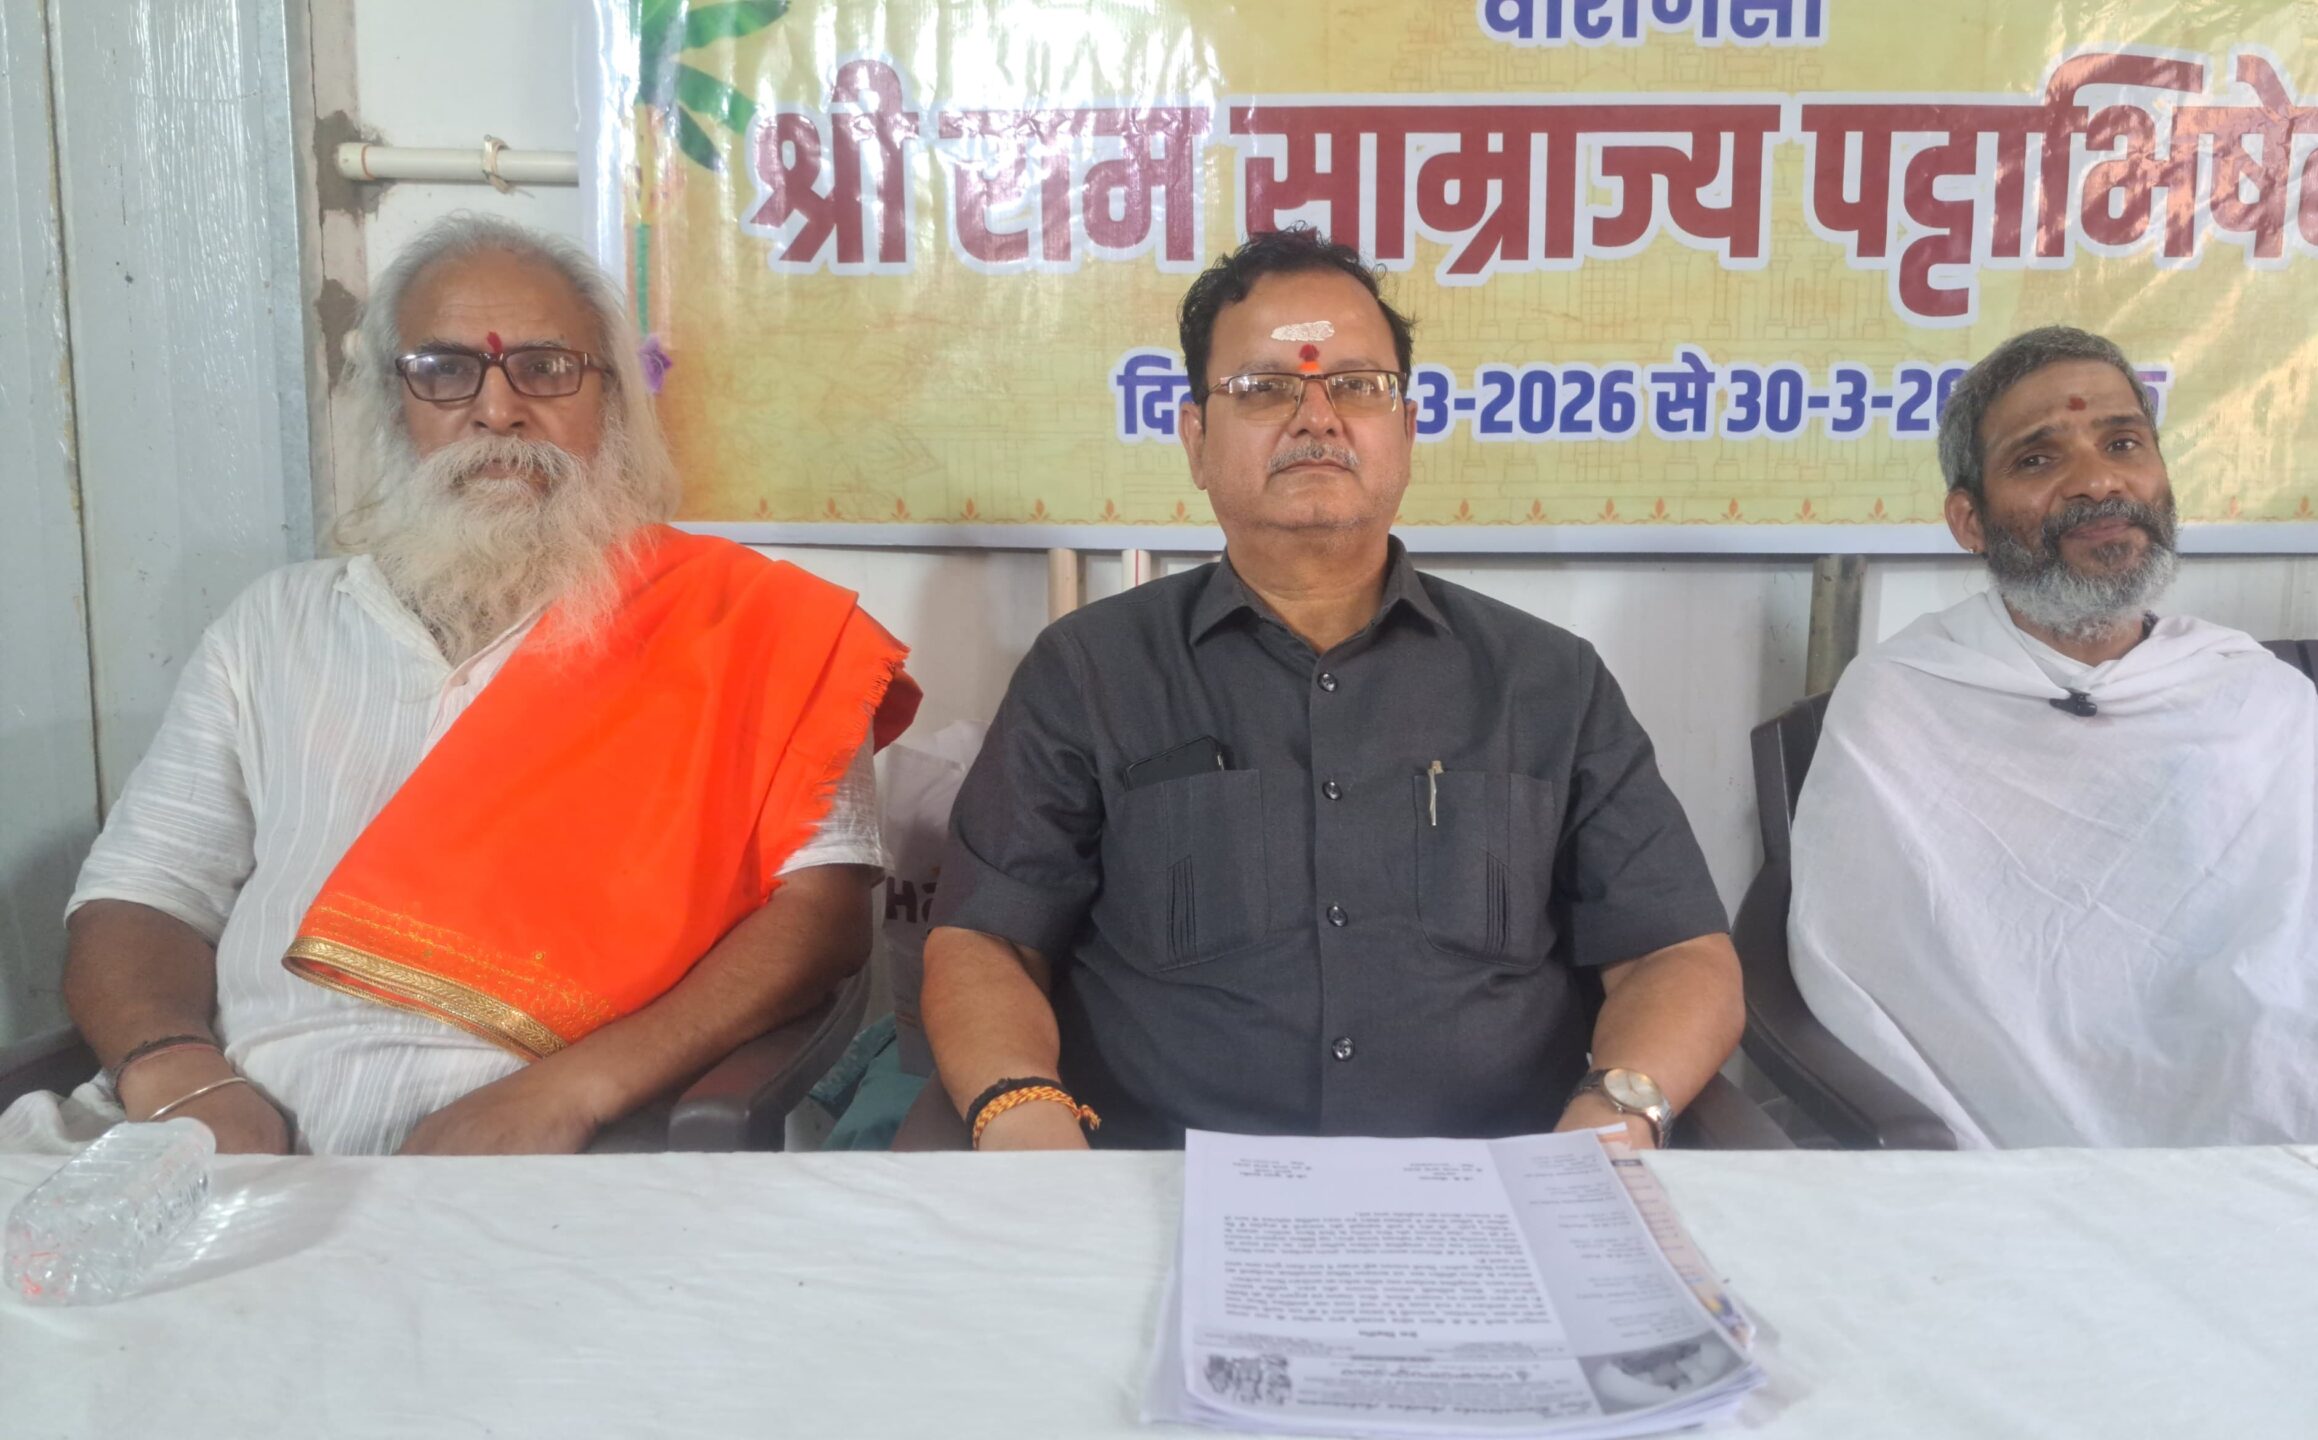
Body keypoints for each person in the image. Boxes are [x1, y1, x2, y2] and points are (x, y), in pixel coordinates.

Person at [0, 213, 919, 1156]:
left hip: (566, 1145)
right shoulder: (273, 626)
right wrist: (179, 1074)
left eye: (546, 368)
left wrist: (571, 1093)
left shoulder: (749, 629)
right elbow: (144, 896)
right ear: (394, 403)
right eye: (444, 370)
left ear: (612, 399)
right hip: (221, 1124)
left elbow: (820, 924)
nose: (497, 411)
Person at [921, 227, 1741, 1151]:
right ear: (1196, 440)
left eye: (1356, 385)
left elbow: (1676, 952)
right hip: (1160, 1187)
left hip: (1494, 1186)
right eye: (1264, 388)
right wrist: (1026, 1118)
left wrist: (1614, 1118)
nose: (1317, 418)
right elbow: (987, 940)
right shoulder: (1090, 672)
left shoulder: (1548, 682)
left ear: (1408, 430)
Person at [1787, 324, 2318, 1150]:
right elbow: (1875, 973)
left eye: (2123, 443)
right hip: (2052, 1107)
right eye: (2038, 460)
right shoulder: (1903, 701)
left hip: (2304, 1062)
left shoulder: (2249, 690)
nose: (2098, 482)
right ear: (1969, 520)